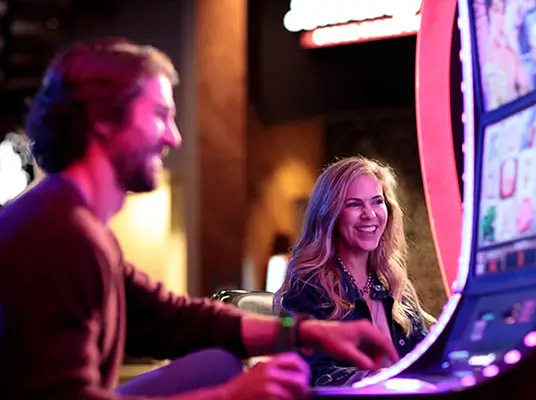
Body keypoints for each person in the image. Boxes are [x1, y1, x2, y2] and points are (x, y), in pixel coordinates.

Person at [0, 38, 399, 400]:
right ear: (104, 119)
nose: (173, 136)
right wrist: (229, 397)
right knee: (225, 378)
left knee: (216, 362)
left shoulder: (72, 222)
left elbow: (173, 319)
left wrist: (308, 332)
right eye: (160, 114)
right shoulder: (58, 235)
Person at [274, 156, 435, 387]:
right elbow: (306, 374)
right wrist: (371, 378)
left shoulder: (394, 283)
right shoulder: (307, 286)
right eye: (354, 204)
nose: (369, 214)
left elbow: (425, 361)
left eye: (377, 202)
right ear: (330, 215)